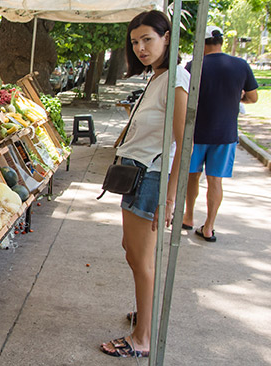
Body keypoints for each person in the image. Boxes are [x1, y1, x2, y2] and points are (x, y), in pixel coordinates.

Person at [100, 10, 189, 358]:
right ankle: (145, 316)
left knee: (141, 259)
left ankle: (142, 338)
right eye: (135, 42)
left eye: (148, 39)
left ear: (167, 37)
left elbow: (185, 142)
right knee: (133, 251)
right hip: (137, 172)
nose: (140, 47)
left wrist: (169, 199)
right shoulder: (159, 76)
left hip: (151, 177)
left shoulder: (176, 79)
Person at [181, 26, 258, 242]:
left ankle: (188, 217)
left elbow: (184, 96)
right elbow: (253, 98)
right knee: (216, 182)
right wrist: (237, 98)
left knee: (191, 177)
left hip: (195, 133)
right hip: (225, 134)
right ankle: (209, 227)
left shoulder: (194, 65)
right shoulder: (241, 66)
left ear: (202, 43)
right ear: (221, 42)